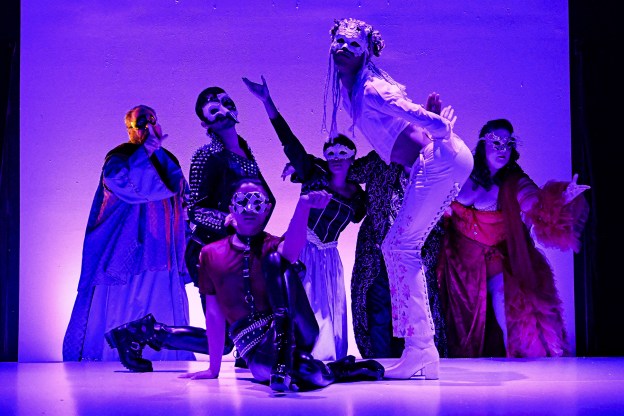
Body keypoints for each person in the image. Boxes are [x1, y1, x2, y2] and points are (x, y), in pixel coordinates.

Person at [108, 178, 384, 392]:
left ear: (266, 210)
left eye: (257, 202)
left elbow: (292, 250)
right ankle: (334, 371)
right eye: (242, 202)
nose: (250, 209)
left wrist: (303, 206)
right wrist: (213, 369)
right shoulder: (210, 254)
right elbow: (214, 313)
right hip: (256, 346)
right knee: (306, 368)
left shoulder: (272, 244)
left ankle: (285, 356)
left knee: (277, 260)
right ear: (231, 209)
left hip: (296, 330)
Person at [327, 17, 474, 379]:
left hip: (438, 158)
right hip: (440, 159)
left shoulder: (370, 88)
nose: (344, 48)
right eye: (340, 41)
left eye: (354, 45)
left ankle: (420, 349)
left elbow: (416, 116)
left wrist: (438, 126)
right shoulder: (353, 89)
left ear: (366, 53)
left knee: (399, 247)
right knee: (399, 247)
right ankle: (422, 351)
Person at [436, 119, 590, 358]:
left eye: (508, 144)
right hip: (459, 262)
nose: (502, 149)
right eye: (496, 143)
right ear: (483, 144)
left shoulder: (515, 180)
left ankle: (514, 356)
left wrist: (561, 199)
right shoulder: (465, 170)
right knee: (458, 320)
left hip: (495, 255)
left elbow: (535, 203)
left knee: (502, 298)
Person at [242, 76, 366, 361]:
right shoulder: (313, 174)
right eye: (331, 153)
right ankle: (291, 355)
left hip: (330, 256)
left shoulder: (358, 197)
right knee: (300, 301)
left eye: (343, 153)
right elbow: (289, 143)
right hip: (303, 249)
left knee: (327, 306)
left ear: (352, 158)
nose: (336, 158)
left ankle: (328, 357)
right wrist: (268, 102)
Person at [62, 105, 195, 366]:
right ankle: (116, 356)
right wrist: (146, 151)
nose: (148, 127)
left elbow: (181, 196)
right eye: (140, 122)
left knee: (161, 300)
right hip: (127, 251)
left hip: (162, 249)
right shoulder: (119, 157)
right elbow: (120, 183)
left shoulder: (168, 160)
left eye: (152, 120)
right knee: (122, 303)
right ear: (129, 129)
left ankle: (168, 357)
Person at [185, 86, 276, 366]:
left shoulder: (245, 152)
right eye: (214, 110)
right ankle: (145, 333)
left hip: (242, 251)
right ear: (205, 123)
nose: (223, 111)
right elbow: (195, 210)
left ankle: (250, 356)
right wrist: (228, 222)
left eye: (227, 103)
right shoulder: (206, 156)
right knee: (223, 341)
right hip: (212, 253)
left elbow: (267, 199)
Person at [348, 150, 448, 359]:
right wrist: (308, 166)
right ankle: (382, 364)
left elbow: (436, 223)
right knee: (378, 311)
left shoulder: (432, 172)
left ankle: (414, 361)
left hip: (414, 257)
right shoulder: (380, 159)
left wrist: (425, 259)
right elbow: (346, 172)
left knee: (413, 313)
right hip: (377, 254)